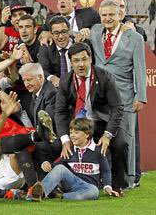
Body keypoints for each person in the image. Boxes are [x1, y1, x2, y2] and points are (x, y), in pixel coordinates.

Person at [83, 0, 147, 189]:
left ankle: (127, 180)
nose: (108, 18)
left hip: (125, 96)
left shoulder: (134, 37)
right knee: (99, 137)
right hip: (99, 96)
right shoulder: (94, 31)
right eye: (104, 15)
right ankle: (103, 178)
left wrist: (140, 96)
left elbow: (140, 69)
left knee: (126, 139)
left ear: (120, 15)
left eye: (112, 14)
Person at [54, 42, 127, 194]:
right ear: (71, 62)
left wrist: (108, 135)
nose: (81, 64)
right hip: (79, 125)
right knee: (57, 145)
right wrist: (65, 140)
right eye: (76, 60)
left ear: (91, 59)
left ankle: (117, 184)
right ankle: (62, 184)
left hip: (103, 122)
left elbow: (117, 107)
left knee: (119, 143)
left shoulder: (104, 76)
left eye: (84, 59)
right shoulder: (65, 81)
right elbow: (60, 112)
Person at [34, 118, 120, 200]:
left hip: (88, 187)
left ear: (87, 134)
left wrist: (108, 187)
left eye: (76, 132)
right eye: (71, 132)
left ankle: (61, 196)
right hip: (70, 183)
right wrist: (46, 164)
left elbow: (106, 171)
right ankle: (39, 193)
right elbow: (56, 167)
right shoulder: (69, 150)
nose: (72, 135)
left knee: (94, 192)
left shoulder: (98, 151)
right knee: (60, 168)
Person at [38, 16, 74, 87]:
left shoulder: (78, 43)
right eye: (56, 33)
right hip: (57, 89)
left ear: (69, 31)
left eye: (64, 32)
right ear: (51, 34)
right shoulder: (46, 47)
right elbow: (42, 70)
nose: (60, 36)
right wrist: (52, 78)